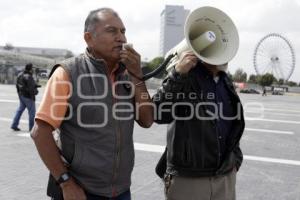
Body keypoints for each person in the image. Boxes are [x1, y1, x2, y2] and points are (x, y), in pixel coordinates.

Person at [31, 8, 153, 200]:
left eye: (123, 31)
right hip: (80, 191)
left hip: (121, 191)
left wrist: (138, 76)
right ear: (89, 38)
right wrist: (65, 182)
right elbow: (40, 132)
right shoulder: (67, 73)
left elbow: (147, 120)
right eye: (112, 31)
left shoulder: (128, 75)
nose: (121, 38)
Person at [153, 51, 245, 200]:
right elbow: (157, 113)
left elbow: (232, 124)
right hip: (188, 179)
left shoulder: (225, 80)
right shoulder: (185, 77)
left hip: (225, 177)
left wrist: (235, 160)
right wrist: (177, 74)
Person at [11, 63, 40, 131]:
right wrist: (36, 92)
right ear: (30, 69)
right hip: (28, 97)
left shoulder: (20, 74)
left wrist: (19, 94)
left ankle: (14, 125)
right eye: (32, 68)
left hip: (22, 96)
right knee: (32, 113)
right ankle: (32, 128)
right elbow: (31, 89)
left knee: (19, 111)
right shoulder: (29, 76)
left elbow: (18, 85)